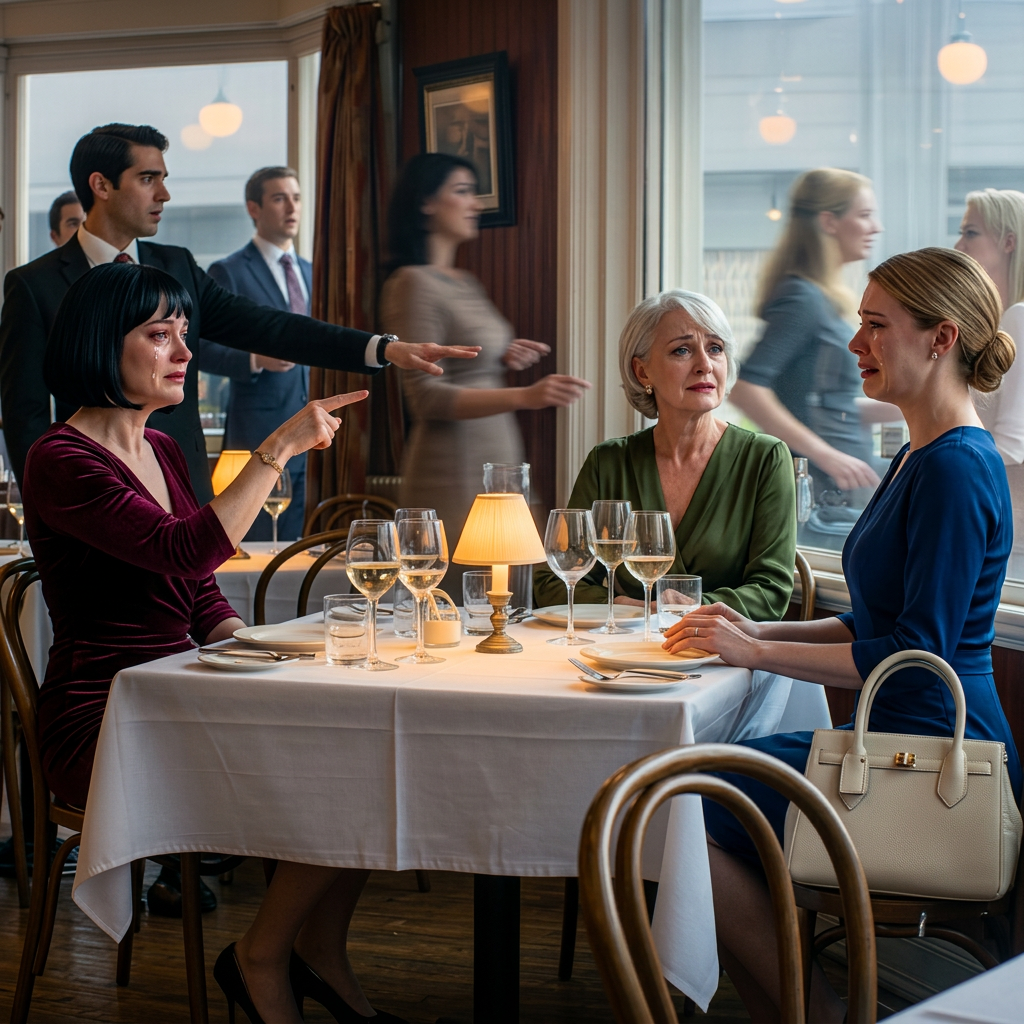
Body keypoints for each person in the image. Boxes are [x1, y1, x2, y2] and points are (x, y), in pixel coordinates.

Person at [24, 261, 403, 1024]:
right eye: (159, 335)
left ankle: (313, 957)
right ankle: (265, 961)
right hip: (105, 718)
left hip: (182, 694)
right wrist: (275, 451)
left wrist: (255, 652)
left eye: (184, 334)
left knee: (365, 752)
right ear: (103, 346)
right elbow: (181, 552)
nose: (184, 353)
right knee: (344, 774)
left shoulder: (162, 450)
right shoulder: (58, 460)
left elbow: (198, 597)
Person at [663, 248, 1022, 1023]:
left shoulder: (956, 467)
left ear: (941, 338)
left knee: (683, 799)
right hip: (888, 742)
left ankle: (814, 1014)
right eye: (859, 323)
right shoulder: (917, 456)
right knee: (686, 791)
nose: (855, 342)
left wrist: (756, 653)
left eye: (875, 325)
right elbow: (875, 620)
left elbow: (914, 656)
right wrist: (752, 625)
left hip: (931, 761)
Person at [0, 123, 479, 503]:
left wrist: (383, 348)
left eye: (164, 179)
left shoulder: (178, 266)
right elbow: (24, 416)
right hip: (89, 495)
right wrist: (47, 510)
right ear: (101, 185)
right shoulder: (34, 285)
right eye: (148, 179)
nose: (163, 194)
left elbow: (269, 326)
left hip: (183, 487)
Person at [380, 153, 589, 586]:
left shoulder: (465, 281)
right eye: (462, 191)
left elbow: (461, 357)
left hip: (498, 455)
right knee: (465, 595)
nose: (475, 203)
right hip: (452, 466)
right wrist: (526, 395)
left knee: (511, 592)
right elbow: (425, 397)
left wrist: (500, 355)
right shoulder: (410, 282)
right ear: (426, 202)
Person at [534, 290, 796, 619]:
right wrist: (622, 609)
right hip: (626, 649)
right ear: (642, 372)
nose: (705, 365)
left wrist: (692, 609)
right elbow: (553, 581)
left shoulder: (765, 458)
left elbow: (771, 590)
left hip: (724, 654)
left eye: (715, 348)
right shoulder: (608, 463)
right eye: (682, 350)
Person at [728, 168, 895, 546]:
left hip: (842, 494)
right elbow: (746, 387)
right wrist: (828, 456)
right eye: (865, 214)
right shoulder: (802, 298)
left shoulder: (819, 297)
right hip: (824, 498)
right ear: (829, 222)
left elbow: (820, 402)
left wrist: (915, 403)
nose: (877, 227)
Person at [198, 166, 312, 542]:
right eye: (279, 198)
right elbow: (199, 348)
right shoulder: (228, 271)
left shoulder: (315, 273)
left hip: (316, 433)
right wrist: (254, 360)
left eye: (295, 197)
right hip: (258, 437)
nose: (291, 207)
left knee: (298, 551)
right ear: (254, 208)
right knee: (254, 544)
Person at [954, 188, 1024, 576]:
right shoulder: (1003, 321)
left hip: (1010, 525)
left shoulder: (1018, 318)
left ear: (1008, 242)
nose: (958, 243)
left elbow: (1013, 443)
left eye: (971, 233)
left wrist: (943, 465)